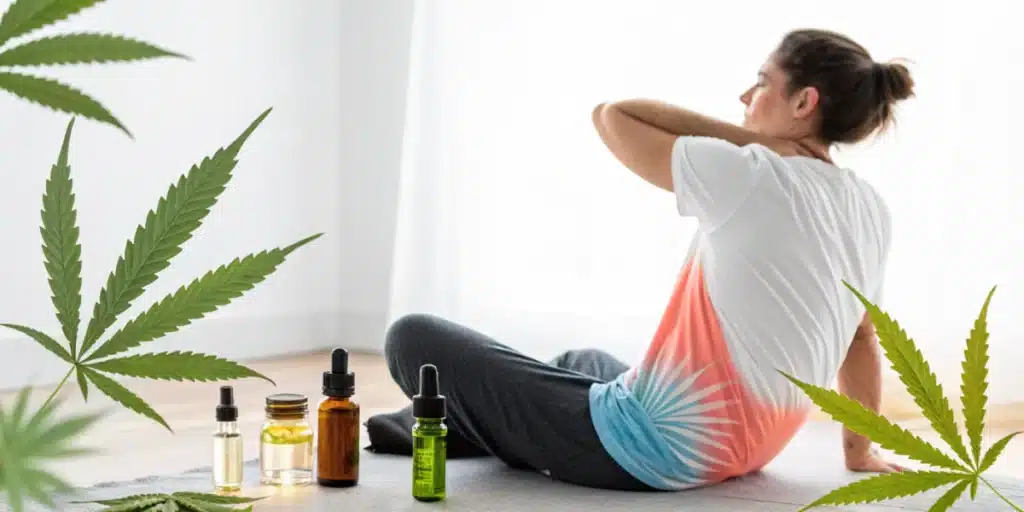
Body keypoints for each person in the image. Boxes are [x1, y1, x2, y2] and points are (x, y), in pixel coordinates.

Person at [365, 28, 912, 492]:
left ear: (804, 103)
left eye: (764, 83)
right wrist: (858, 452)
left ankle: (447, 420)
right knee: (584, 361)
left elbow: (614, 115)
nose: (746, 95)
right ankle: (439, 422)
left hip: (657, 450)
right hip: (748, 446)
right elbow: (861, 339)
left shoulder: (754, 175)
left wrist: (757, 144)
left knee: (412, 338)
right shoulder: (868, 206)